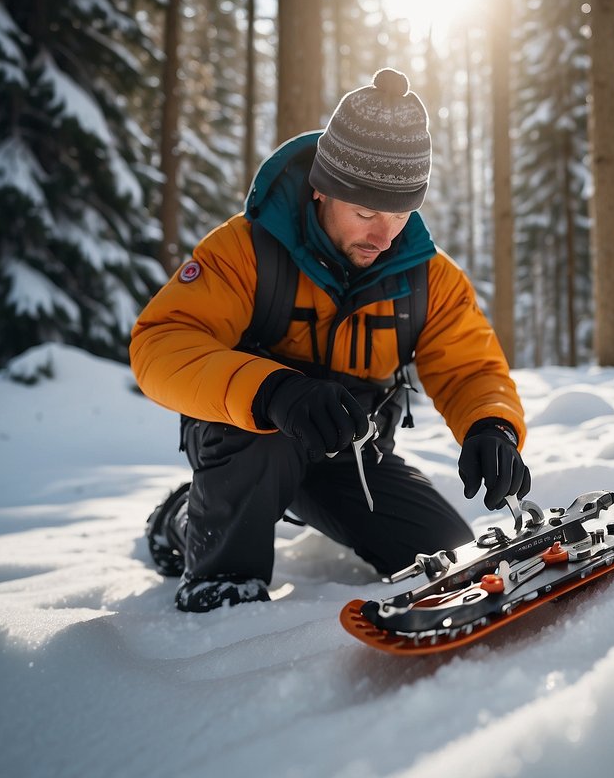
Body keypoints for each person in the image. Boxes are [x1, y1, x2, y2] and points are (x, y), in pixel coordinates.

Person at [131, 68, 532, 612]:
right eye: (366, 213)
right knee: (258, 453)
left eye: (400, 214)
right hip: (254, 439)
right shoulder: (246, 250)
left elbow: (470, 369)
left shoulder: (429, 278)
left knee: (453, 558)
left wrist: (493, 426)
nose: (384, 235)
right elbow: (161, 343)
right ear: (321, 189)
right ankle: (194, 540)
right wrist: (273, 391)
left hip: (353, 453)